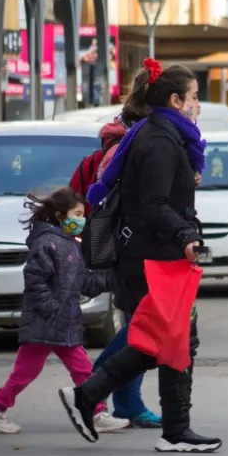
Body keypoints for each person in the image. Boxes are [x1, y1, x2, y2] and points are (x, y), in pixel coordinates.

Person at [59, 60, 221, 453]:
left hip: (157, 254)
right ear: (175, 100)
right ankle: (97, 398)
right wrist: (185, 234)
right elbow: (154, 205)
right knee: (173, 338)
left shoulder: (164, 136)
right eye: (194, 98)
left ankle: (170, 429)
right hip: (152, 257)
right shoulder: (160, 141)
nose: (198, 105)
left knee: (171, 339)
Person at [0, 187, 129, 435]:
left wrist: (114, 277)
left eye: (83, 215)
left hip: (65, 325)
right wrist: (51, 308)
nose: (81, 220)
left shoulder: (71, 245)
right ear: (61, 216)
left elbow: (86, 283)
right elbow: (34, 279)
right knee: (25, 373)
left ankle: (97, 413)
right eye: (77, 214)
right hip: (45, 324)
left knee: (82, 370)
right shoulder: (47, 244)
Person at [83, 81, 163, 429]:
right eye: (190, 98)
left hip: (141, 247)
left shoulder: (137, 136)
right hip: (135, 250)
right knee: (142, 327)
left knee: (139, 325)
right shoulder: (140, 140)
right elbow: (141, 199)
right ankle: (95, 386)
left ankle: (126, 401)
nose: (194, 106)